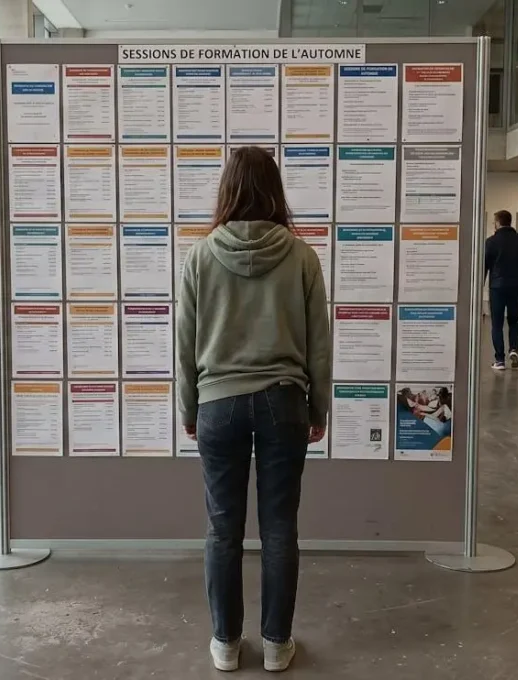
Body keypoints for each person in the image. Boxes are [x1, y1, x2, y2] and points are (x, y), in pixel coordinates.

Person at [176, 146, 330, 673]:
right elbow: (319, 345)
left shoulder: (199, 256)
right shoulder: (302, 257)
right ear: (275, 192)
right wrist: (320, 406)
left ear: (227, 191)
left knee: (223, 529)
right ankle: (276, 646)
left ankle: (224, 644)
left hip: (218, 402)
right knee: (280, 526)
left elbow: (185, 342)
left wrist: (189, 407)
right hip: (285, 400)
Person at [484, 210, 518, 370]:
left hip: (497, 287)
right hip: (516, 286)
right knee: (514, 320)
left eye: (494, 222)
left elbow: (485, 266)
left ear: (498, 222)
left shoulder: (491, 242)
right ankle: (513, 349)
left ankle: (499, 360)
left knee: (497, 324)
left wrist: (478, 287)